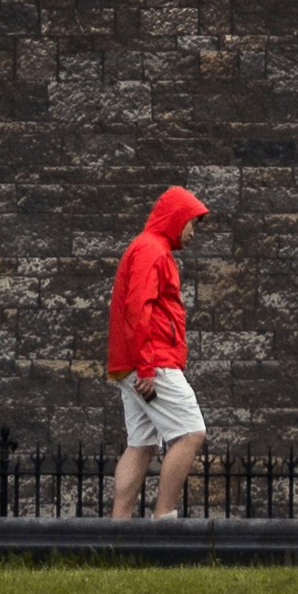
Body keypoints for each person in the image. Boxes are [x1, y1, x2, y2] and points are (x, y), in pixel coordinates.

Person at [105, 183, 211, 521]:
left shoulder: (144, 247)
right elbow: (140, 308)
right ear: (177, 218)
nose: (193, 231)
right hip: (152, 361)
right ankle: (164, 519)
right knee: (191, 432)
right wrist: (148, 367)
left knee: (142, 443)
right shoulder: (153, 250)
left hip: (131, 363)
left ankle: (117, 529)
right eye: (192, 222)